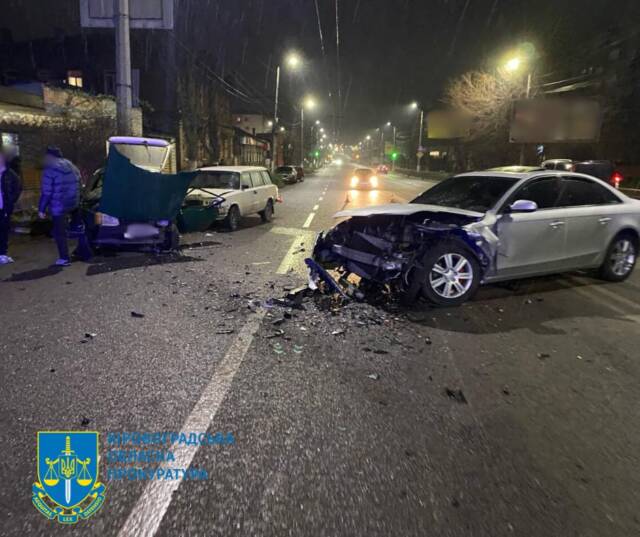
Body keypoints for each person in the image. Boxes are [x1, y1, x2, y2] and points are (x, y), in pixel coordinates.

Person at [38, 146, 91, 266]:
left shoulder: (49, 169)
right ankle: (86, 253)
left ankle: (64, 258)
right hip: (74, 203)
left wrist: (41, 209)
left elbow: (46, 192)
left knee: (59, 232)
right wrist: (78, 199)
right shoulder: (71, 166)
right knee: (78, 229)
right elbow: (80, 184)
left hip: (59, 205)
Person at [0, 152, 22, 264]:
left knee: (3, 230)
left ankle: (2, 253)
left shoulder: (9, 174)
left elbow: (18, 187)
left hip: (4, 207)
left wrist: (11, 201)